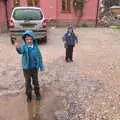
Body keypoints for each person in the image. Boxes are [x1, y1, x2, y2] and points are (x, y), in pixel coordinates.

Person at [14, 30, 45, 102]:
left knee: (35, 82)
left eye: (30, 39)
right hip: (26, 69)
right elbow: (20, 51)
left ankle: (37, 94)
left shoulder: (36, 48)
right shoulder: (24, 47)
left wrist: (41, 66)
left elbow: (39, 57)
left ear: (33, 39)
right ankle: (29, 96)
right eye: (27, 39)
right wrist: (18, 48)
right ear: (25, 40)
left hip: (34, 68)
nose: (29, 41)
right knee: (27, 82)